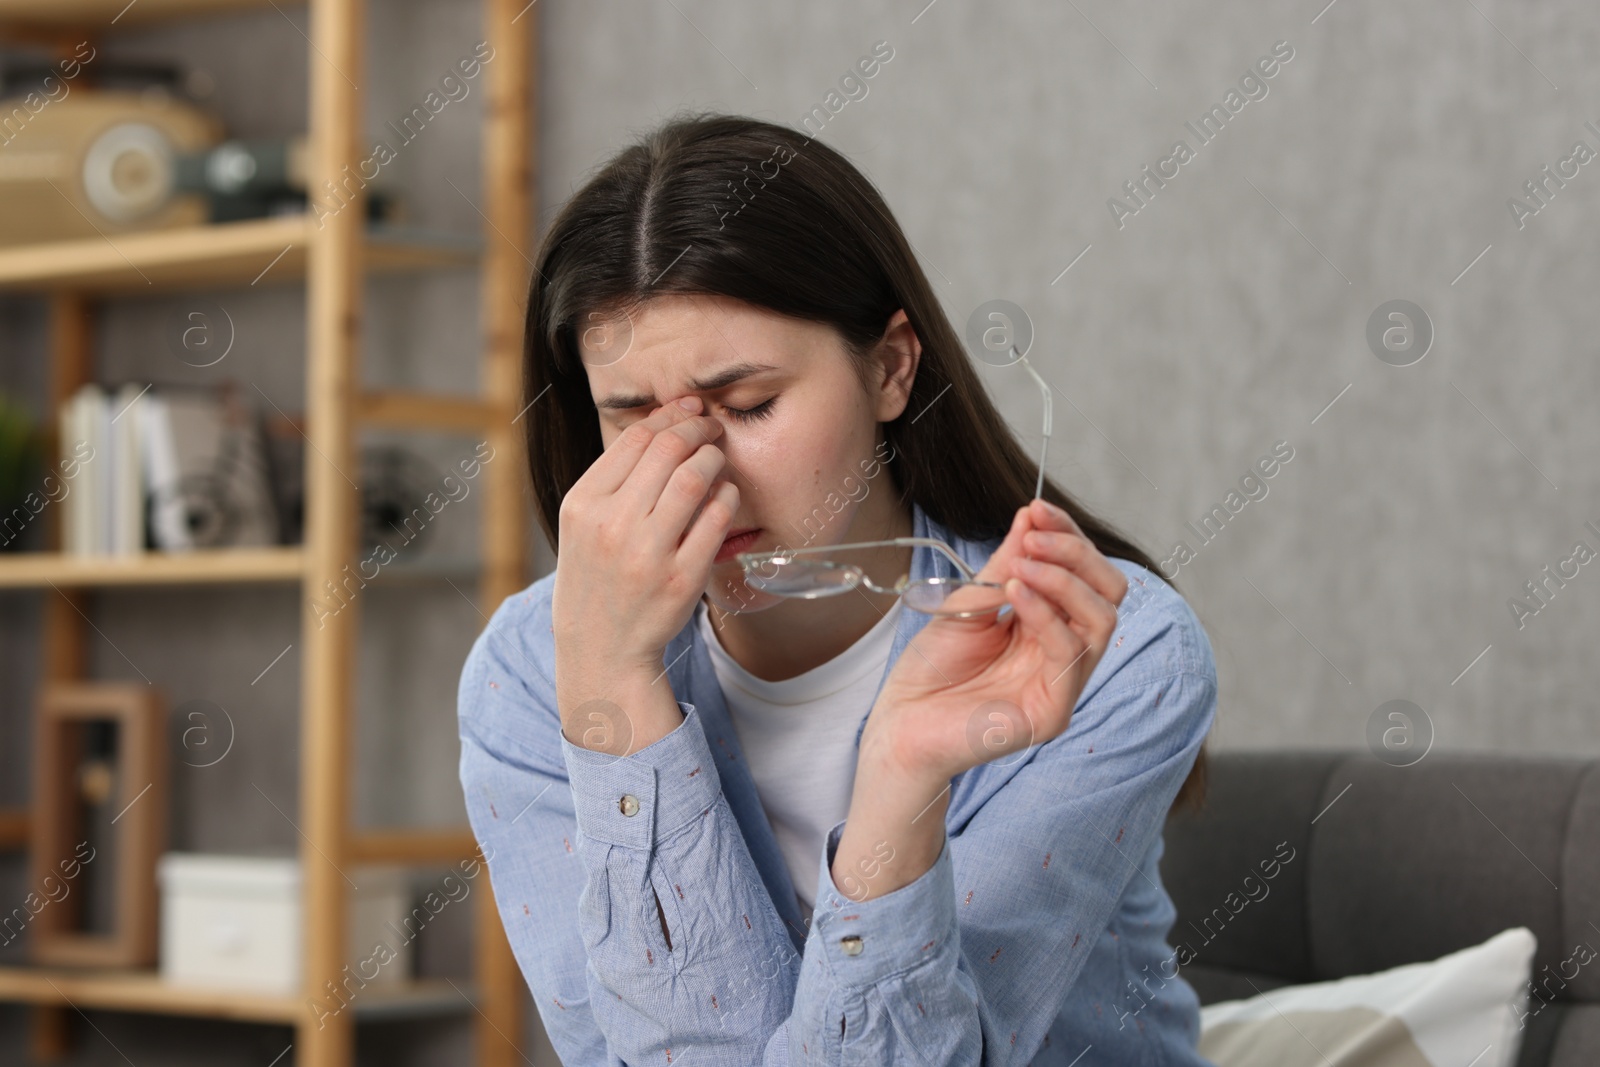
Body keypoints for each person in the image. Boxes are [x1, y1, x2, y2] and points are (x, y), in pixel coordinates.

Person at [457, 110, 1218, 1065]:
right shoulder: (534, 671)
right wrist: (612, 686)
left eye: (749, 406)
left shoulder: (1108, 649)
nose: (695, 471)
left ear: (892, 368)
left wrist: (899, 789)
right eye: (632, 415)